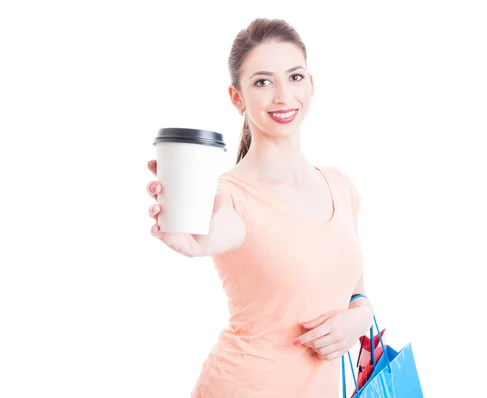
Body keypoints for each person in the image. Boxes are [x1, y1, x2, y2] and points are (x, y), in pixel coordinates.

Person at [147, 17, 374, 398]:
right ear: (237, 98)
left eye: (295, 77)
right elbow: (215, 230)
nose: (284, 96)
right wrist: (190, 238)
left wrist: (361, 318)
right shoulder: (230, 196)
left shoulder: (339, 185)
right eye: (263, 82)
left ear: (311, 84)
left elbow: (354, 289)